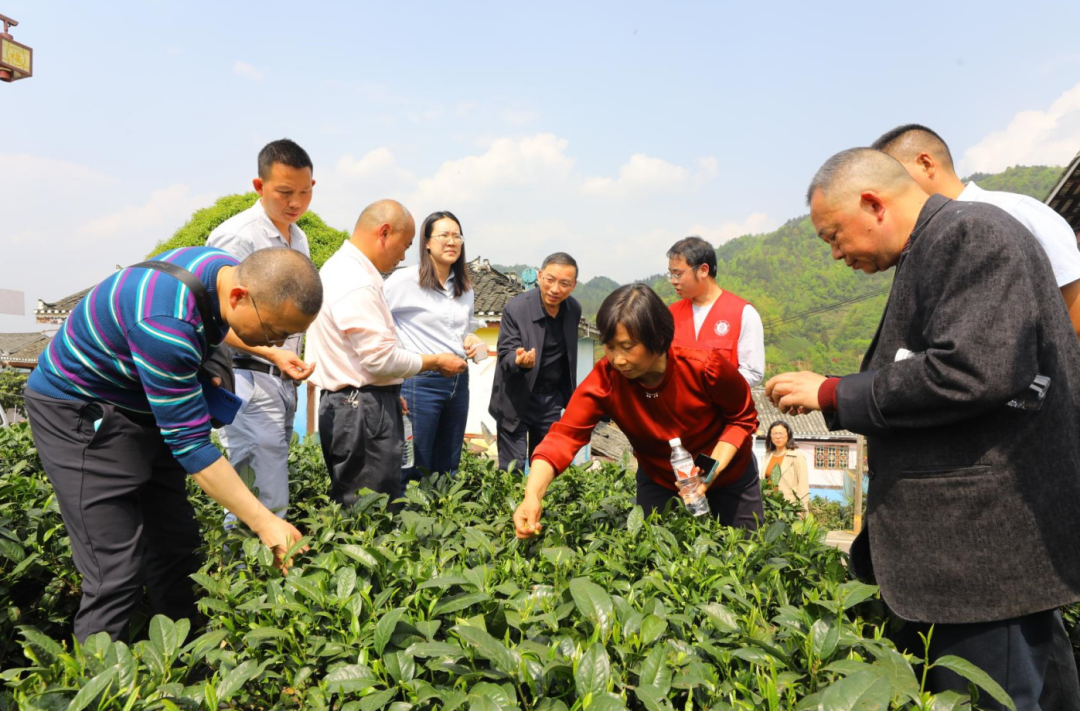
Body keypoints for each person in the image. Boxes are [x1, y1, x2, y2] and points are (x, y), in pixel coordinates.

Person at [766, 147, 1080, 709]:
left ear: (873, 204)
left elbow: (974, 369)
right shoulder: (938, 243)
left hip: (981, 557)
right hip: (978, 558)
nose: (835, 253)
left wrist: (835, 391)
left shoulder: (972, 234)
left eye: (834, 236)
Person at [873, 123, 1080, 711]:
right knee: (1036, 653)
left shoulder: (1000, 221)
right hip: (986, 488)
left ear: (925, 163)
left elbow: (1065, 337)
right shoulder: (932, 238)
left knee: (1006, 667)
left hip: (1011, 477)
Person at [23, 246, 321, 641]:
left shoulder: (218, 269)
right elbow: (191, 446)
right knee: (113, 571)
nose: (278, 342)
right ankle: (97, 687)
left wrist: (254, 352)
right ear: (238, 296)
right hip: (79, 410)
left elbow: (210, 329)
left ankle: (180, 669)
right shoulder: (164, 325)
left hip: (140, 401)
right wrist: (265, 521)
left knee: (176, 547)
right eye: (274, 332)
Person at [513, 283, 761, 538]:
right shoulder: (606, 380)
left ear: (658, 339)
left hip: (729, 475)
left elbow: (742, 419)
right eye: (610, 347)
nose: (618, 359)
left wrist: (709, 472)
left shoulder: (705, 367)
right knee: (649, 558)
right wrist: (532, 496)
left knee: (746, 552)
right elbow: (564, 436)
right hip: (659, 479)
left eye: (628, 347)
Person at [305, 200, 467, 505]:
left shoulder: (344, 269)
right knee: (371, 509)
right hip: (361, 408)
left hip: (359, 401)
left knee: (359, 500)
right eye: (405, 245)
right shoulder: (358, 281)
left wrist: (390, 390)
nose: (404, 255)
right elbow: (379, 358)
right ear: (384, 233)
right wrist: (433, 361)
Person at [872, 124, 1080, 340]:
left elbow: (1076, 317)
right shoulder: (922, 246)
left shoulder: (1016, 212)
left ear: (926, 164)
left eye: (894, 177)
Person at [207, 138, 317, 523]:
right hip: (245, 376)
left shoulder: (298, 237)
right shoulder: (237, 237)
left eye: (304, 192)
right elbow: (216, 318)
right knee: (256, 495)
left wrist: (289, 359)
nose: (295, 203)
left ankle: (261, 578)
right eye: (285, 192)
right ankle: (244, 579)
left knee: (273, 486)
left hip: (279, 377)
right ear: (259, 187)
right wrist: (273, 352)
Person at [385, 211, 485, 487]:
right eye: (444, 235)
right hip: (420, 382)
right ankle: (408, 525)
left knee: (448, 465)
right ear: (427, 242)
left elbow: (462, 332)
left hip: (458, 382)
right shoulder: (403, 281)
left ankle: (441, 525)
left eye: (457, 235)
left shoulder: (465, 288)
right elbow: (376, 322)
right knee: (415, 463)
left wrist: (471, 341)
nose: (451, 241)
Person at [489, 253, 582, 472]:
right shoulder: (516, 308)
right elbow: (506, 352)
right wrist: (519, 361)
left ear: (573, 285)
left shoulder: (573, 310)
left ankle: (542, 507)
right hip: (515, 398)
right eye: (550, 279)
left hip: (550, 400)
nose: (555, 289)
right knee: (513, 469)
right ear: (539, 276)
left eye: (564, 283)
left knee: (547, 465)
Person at [666, 236, 765, 387]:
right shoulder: (669, 314)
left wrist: (711, 387)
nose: (673, 281)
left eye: (678, 274)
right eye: (671, 274)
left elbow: (753, 372)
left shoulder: (743, 313)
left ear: (703, 270)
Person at [761, 420, 809, 514]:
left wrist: (801, 509)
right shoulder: (767, 456)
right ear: (770, 436)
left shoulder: (797, 456)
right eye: (774, 434)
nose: (778, 437)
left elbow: (803, 486)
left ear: (788, 434)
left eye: (781, 433)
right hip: (769, 507)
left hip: (789, 507)